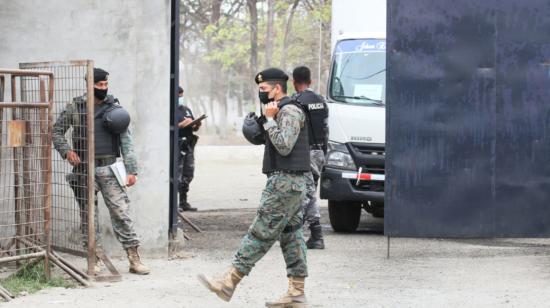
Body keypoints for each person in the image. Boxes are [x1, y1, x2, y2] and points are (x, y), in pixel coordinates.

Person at [198, 68, 310, 307]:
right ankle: (296, 292)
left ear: (277, 88)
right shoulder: (281, 110)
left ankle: (229, 281)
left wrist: (270, 120)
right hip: (290, 182)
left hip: (285, 183)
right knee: (291, 236)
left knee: (261, 232)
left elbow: (285, 146)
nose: (262, 94)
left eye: (264, 89)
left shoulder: (289, 110)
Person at [52, 68, 150, 275]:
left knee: (121, 213)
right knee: (89, 217)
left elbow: (126, 141)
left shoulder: (114, 109)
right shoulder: (75, 107)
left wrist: (131, 170)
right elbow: (57, 131)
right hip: (83, 169)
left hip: (109, 169)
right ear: (90, 85)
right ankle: (94, 259)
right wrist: (67, 151)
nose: (103, 89)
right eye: (99, 85)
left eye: (106, 85)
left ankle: (134, 258)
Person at [292, 66, 329, 250]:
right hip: (320, 152)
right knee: (308, 191)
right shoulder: (321, 101)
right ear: (311, 81)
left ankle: (316, 235)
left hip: (305, 153)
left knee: (307, 194)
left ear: (294, 81)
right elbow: (326, 129)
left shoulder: (296, 102)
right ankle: (309, 235)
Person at [175, 86, 201, 211]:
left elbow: (194, 128)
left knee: (188, 173)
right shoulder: (170, 110)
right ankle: (174, 204)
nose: (180, 98)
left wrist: (196, 124)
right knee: (177, 174)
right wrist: (180, 124)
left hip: (189, 145)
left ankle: (183, 202)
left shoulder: (186, 110)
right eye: (178, 95)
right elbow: (169, 128)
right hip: (177, 146)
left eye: (181, 95)